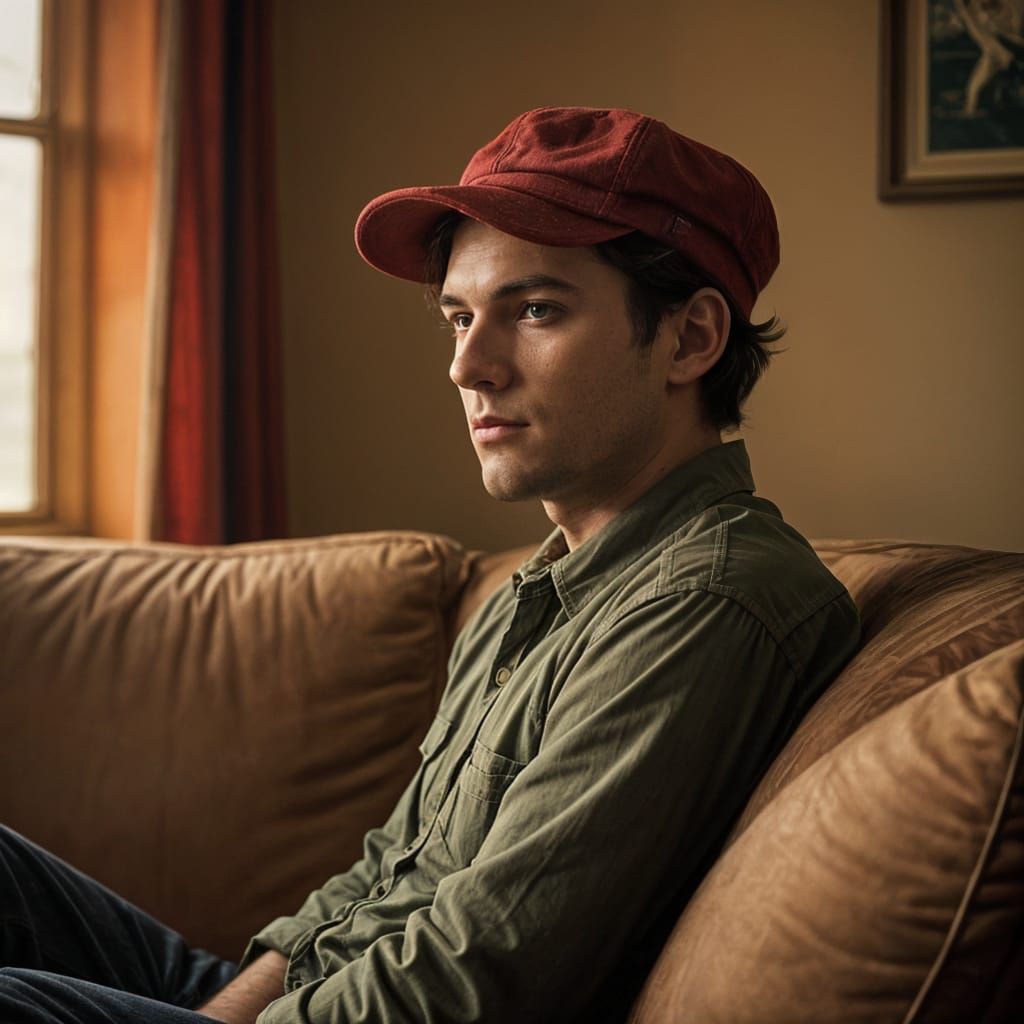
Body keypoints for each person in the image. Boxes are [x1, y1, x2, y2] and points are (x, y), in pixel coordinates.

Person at [0, 106, 860, 1023]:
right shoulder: (537, 591)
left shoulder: (708, 601)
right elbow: (387, 872)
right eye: (459, 316)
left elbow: (479, 970)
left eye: (534, 310)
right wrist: (226, 1009)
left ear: (690, 340)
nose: (467, 366)